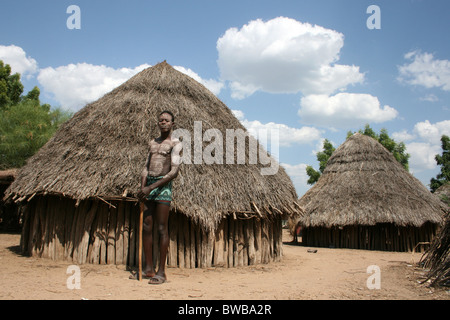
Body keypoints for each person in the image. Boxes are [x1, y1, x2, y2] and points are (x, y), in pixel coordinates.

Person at [132, 110, 182, 284]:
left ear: (172, 124)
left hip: (163, 187)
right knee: (146, 226)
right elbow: (146, 167)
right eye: (161, 120)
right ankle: (148, 268)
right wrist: (143, 186)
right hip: (149, 186)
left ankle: (162, 272)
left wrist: (152, 187)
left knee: (161, 228)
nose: (163, 122)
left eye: (167, 120)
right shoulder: (152, 143)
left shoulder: (176, 144)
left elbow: (174, 171)